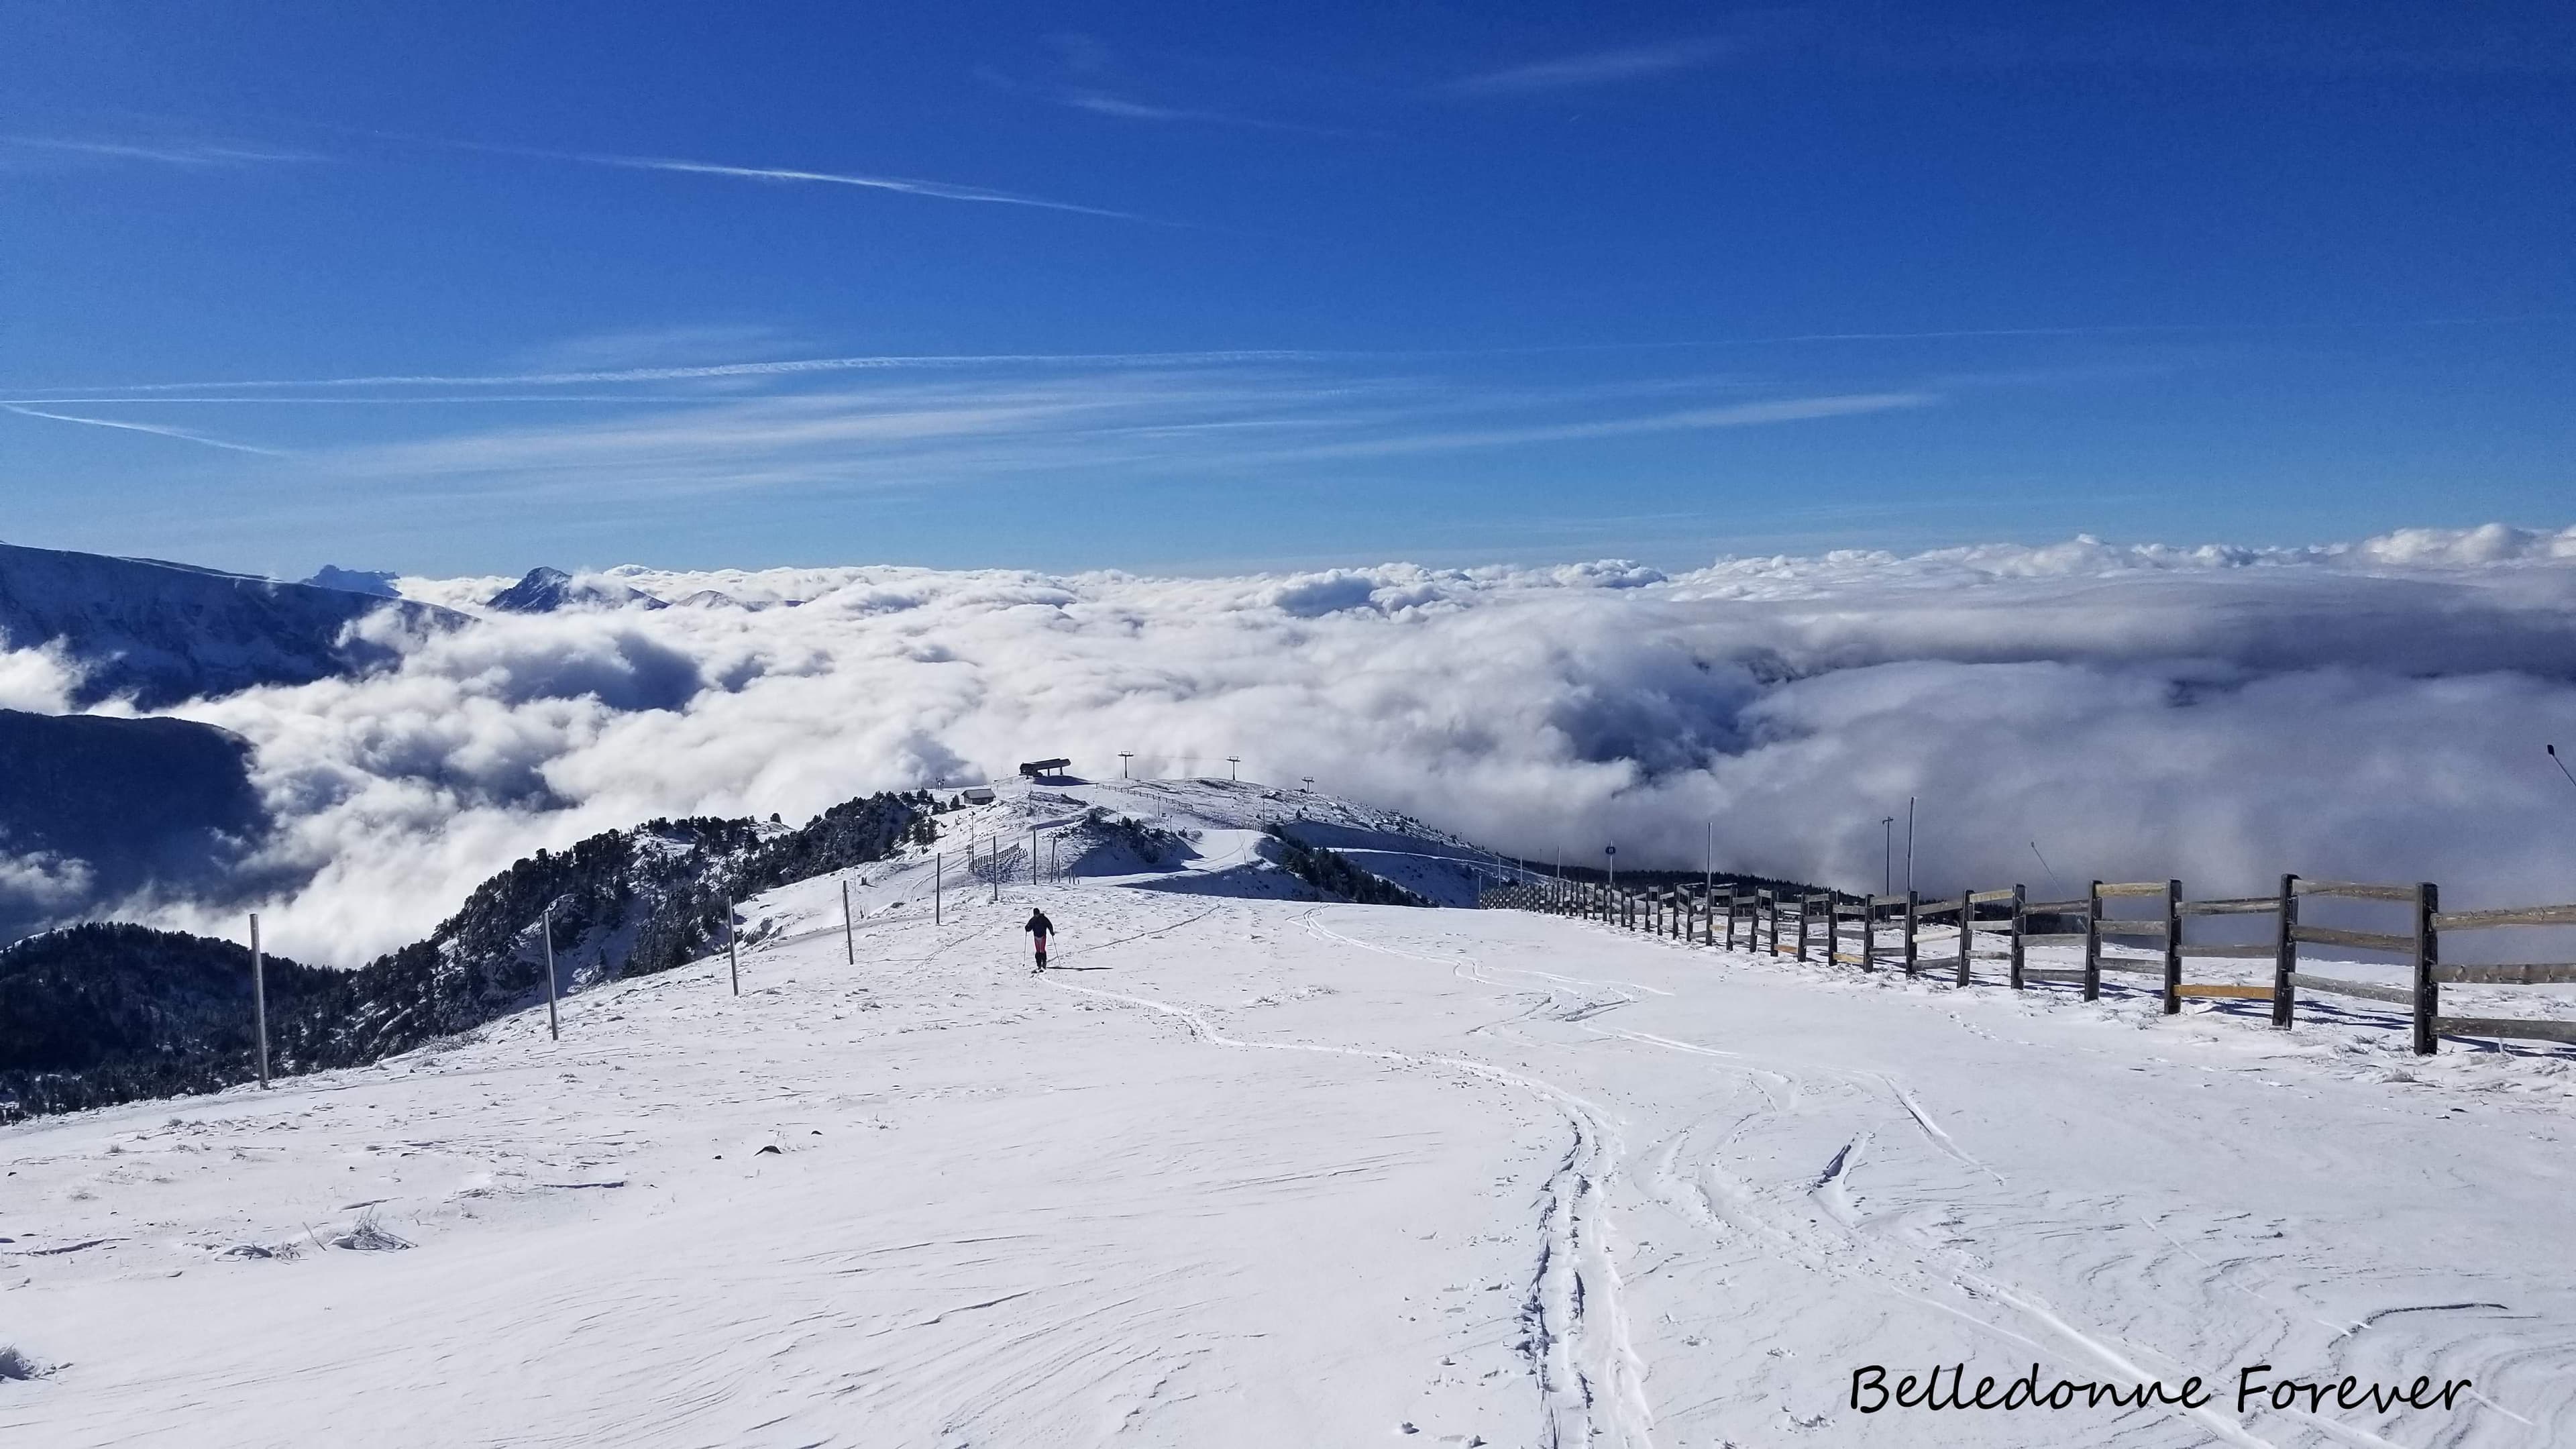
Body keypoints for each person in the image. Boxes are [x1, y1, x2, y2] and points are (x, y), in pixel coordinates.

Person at [1024, 907, 1054, 972]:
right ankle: (1038, 963)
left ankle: (1044, 962)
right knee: (1038, 951)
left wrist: (1051, 931)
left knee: (1042, 950)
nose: (1037, 915)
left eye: (1037, 914)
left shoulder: (1043, 919)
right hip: (1036, 937)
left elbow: (1049, 925)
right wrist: (1027, 928)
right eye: (1035, 914)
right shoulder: (1033, 920)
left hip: (1043, 936)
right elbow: (1029, 927)